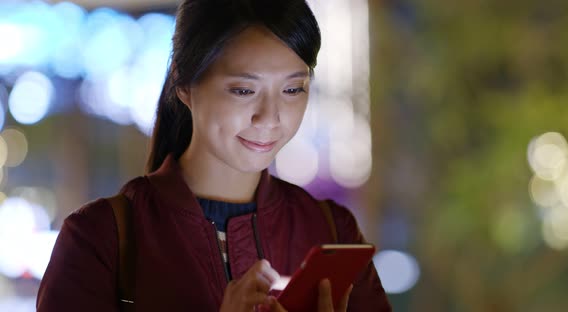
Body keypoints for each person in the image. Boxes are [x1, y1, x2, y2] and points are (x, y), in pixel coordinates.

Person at [36, 0, 391, 311]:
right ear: (184, 85)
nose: (270, 117)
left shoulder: (332, 231)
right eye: (243, 89)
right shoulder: (99, 239)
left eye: (292, 88)